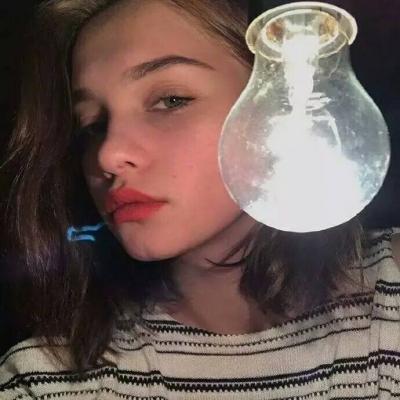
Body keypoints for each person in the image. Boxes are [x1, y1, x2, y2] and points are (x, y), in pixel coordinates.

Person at [0, 0, 399, 398]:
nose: (108, 154)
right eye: (92, 125)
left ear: (288, 103)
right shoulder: (47, 382)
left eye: (171, 100)